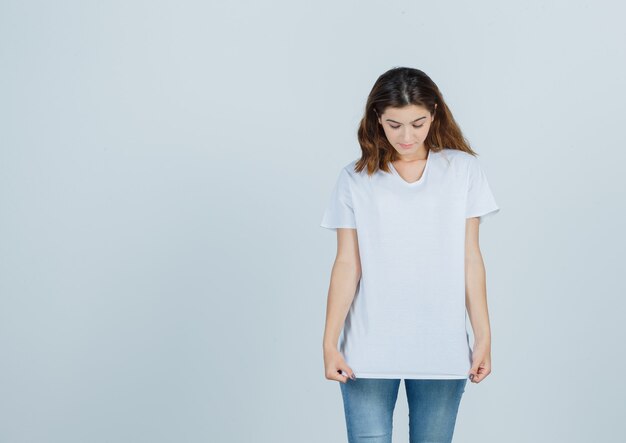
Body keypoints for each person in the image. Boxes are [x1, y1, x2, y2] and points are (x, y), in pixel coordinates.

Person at [319, 67, 500, 443]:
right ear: (376, 120)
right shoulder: (354, 178)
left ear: (434, 113)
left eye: (417, 123)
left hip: (442, 346)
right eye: (394, 124)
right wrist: (329, 343)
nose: (406, 136)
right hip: (366, 353)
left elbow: (471, 257)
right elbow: (347, 264)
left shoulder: (462, 170)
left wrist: (483, 335)